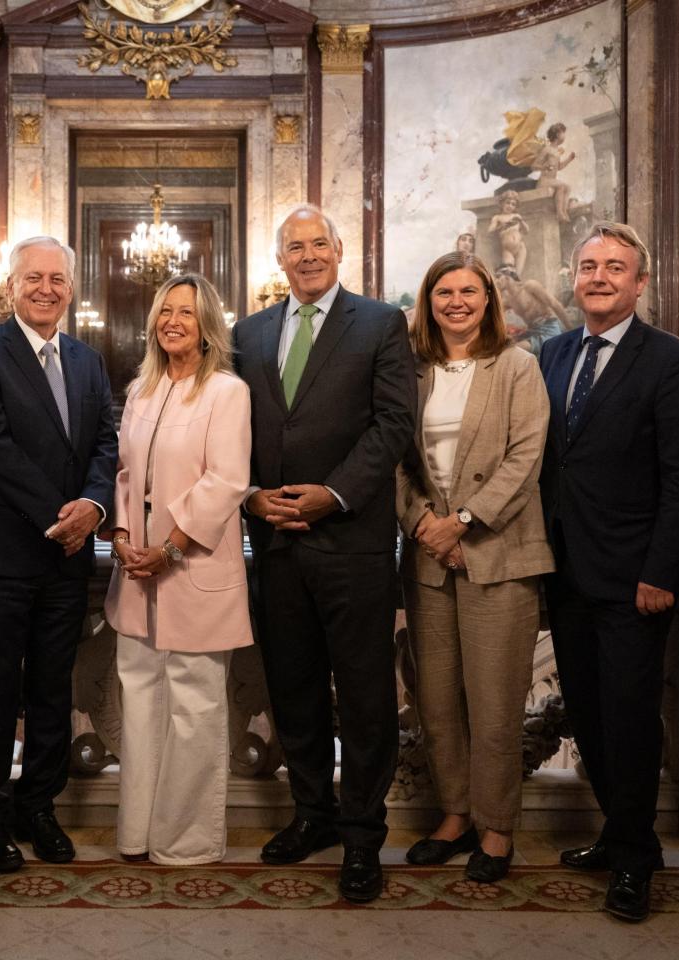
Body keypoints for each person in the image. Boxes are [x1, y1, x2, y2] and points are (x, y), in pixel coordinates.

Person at [230, 205, 415, 903]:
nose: (307, 256)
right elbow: (233, 428)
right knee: (294, 689)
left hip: (352, 542)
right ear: (279, 259)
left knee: (365, 698)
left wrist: (333, 495)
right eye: (294, 246)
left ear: (340, 251)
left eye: (318, 244)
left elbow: (393, 423)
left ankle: (363, 835)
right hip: (276, 541)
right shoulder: (249, 333)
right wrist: (250, 496)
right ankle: (313, 814)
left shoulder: (380, 323)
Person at [538, 221, 679, 922]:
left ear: (641, 283)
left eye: (615, 267)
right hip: (565, 574)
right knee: (587, 713)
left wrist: (662, 569)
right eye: (588, 266)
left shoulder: (672, 360)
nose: (599, 277)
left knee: (631, 719)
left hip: (636, 578)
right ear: (573, 279)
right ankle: (619, 832)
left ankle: (637, 858)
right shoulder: (553, 354)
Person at [0, 236, 119, 872]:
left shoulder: (87, 360)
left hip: (67, 560)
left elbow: (105, 442)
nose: (46, 289)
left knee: (54, 689)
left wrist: (95, 506)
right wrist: (63, 516)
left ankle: (39, 807)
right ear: (11, 287)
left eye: (57, 279)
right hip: (5, 554)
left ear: (71, 289)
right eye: (33, 278)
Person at [395, 252, 553, 883]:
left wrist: (462, 523)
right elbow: (394, 459)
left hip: (499, 553)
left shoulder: (517, 366)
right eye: (444, 292)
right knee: (436, 701)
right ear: (428, 302)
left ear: (488, 299)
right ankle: (455, 815)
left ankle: (496, 827)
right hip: (429, 558)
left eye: (468, 291)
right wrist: (424, 526)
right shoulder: (411, 372)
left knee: (494, 705)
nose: (456, 302)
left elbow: (525, 459)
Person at [103, 274, 253, 865]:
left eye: (186, 313)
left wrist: (168, 548)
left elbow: (227, 481)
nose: (173, 322)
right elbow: (124, 476)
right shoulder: (141, 390)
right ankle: (138, 833)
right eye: (165, 311)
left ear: (207, 324)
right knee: (139, 703)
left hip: (193, 566)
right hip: (136, 572)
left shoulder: (227, 391)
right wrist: (121, 535)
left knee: (195, 708)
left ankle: (187, 840)